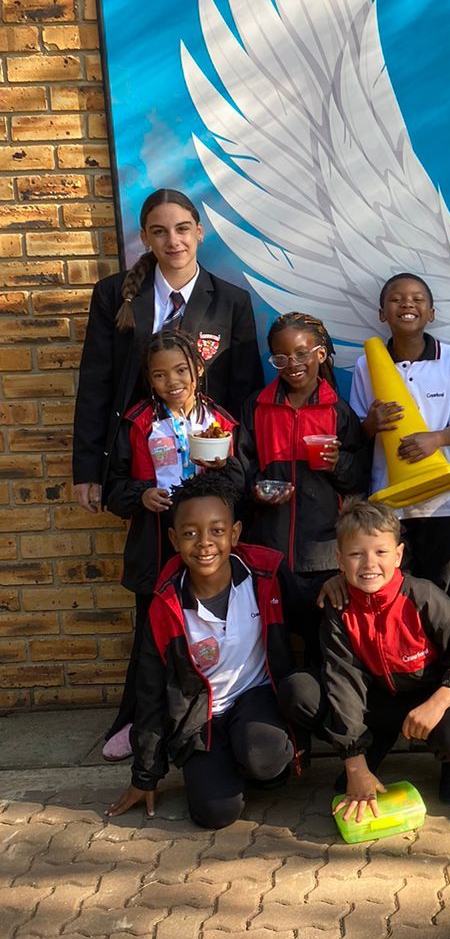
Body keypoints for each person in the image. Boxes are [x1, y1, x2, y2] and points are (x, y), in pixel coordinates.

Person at [71, 187, 262, 758]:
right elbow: (96, 382)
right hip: (143, 468)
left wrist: (239, 470)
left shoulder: (230, 300)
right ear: (145, 239)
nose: (172, 241)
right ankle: (138, 716)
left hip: (208, 474)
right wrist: (90, 469)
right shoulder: (115, 296)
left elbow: (244, 392)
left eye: (182, 228)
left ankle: (217, 707)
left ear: (199, 231)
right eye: (159, 231)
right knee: (153, 594)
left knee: (207, 589)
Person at [105, 473, 302, 830]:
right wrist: (144, 776)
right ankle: (223, 764)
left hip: (255, 698)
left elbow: (312, 613)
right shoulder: (165, 605)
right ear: (173, 539)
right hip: (202, 718)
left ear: (235, 533)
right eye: (190, 533)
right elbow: (150, 693)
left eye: (217, 530)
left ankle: (259, 764)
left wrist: (337, 587)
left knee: (266, 760)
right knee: (215, 814)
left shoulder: (265, 574)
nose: (205, 543)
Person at [277, 499, 450, 817]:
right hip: (375, 702)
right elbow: (343, 680)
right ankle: (369, 749)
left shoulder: (424, 597)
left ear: (399, 555)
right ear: (339, 559)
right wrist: (354, 763)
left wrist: (438, 702)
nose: (369, 564)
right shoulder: (339, 607)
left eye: (380, 552)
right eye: (356, 554)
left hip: (429, 699)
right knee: (299, 691)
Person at [100, 329, 242, 757]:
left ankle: (213, 714)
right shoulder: (138, 422)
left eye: (181, 370)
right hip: (156, 546)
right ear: (148, 378)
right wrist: (142, 495)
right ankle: (137, 721)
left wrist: (219, 468)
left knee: (209, 633)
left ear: (198, 369)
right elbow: (114, 488)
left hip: (208, 551)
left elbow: (240, 484)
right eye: (159, 375)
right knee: (151, 637)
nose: (172, 382)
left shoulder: (220, 421)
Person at [349, 273, 450, 607]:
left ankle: (444, 644)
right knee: (393, 593)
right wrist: (371, 424)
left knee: (443, 595)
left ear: (431, 313)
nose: (407, 304)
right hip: (390, 501)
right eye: (396, 299)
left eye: (418, 299)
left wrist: (435, 439)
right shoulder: (365, 364)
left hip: (444, 502)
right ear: (382, 313)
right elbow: (359, 432)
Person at [237, 312, 369, 622]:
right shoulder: (257, 407)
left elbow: (359, 479)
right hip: (270, 550)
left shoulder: (337, 410)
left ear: (320, 354)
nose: (292, 364)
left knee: (323, 635)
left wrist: (337, 464)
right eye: (281, 358)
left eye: (301, 353)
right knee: (274, 634)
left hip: (325, 555)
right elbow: (240, 469)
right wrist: (257, 490)